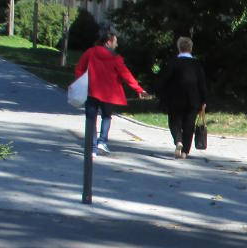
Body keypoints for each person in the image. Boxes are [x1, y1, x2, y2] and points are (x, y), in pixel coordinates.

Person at [75, 26, 147, 157]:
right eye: (115, 41)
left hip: (91, 91)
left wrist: (81, 82)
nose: (117, 44)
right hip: (108, 95)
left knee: (91, 119)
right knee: (106, 117)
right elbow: (126, 74)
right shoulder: (115, 58)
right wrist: (139, 89)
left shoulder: (90, 53)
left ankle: (92, 148)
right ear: (108, 42)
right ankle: (102, 141)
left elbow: (79, 68)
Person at [156, 36, 208, 159]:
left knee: (174, 121)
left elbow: (164, 79)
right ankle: (185, 151)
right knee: (189, 125)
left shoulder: (173, 63)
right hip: (193, 99)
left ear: (179, 48)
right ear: (191, 49)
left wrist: (153, 90)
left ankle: (178, 141)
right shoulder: (196, 64)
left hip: (175, 99)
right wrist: (204, 99)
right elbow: (202, 83)